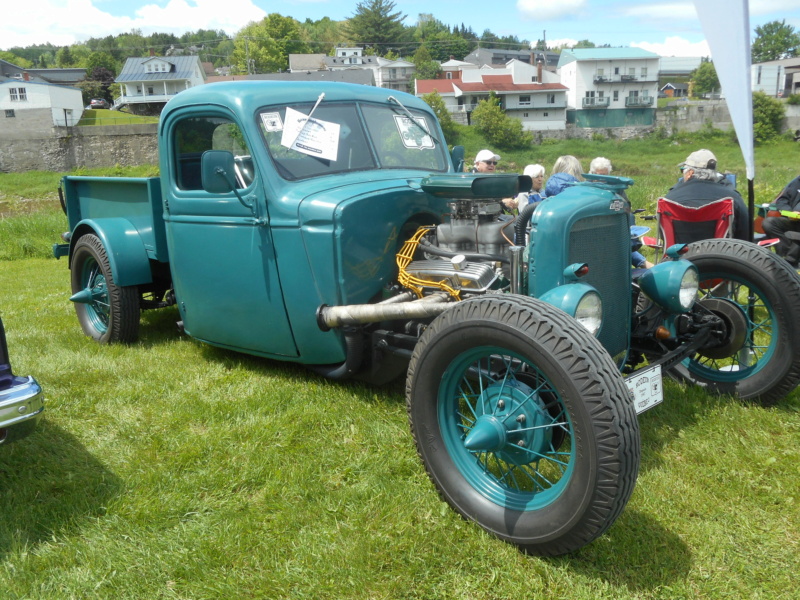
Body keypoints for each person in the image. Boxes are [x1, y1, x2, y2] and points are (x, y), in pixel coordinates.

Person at [664, 149, 750, 241]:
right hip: (719, 253)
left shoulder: (670, 198)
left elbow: (664, 234)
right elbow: (744, 233)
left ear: (690, 173)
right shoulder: (732, 197)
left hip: (680, 254)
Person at [589, 156, 653, 268]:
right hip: (596, 226)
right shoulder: (587, 188)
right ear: (591, 174)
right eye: (597, 175)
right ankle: (642, 262)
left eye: (604, 176)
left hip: (614, 223)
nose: (601, 180)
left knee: (629, 217)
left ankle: (633, 243)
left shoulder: (616, 188)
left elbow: (626, 206)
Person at [762, 174, 800, 266]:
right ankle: (785, 257)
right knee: (769, 223)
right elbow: (782, 200)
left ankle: (790, 260)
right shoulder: (797, 182)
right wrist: (790, 212)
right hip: (794, 219)